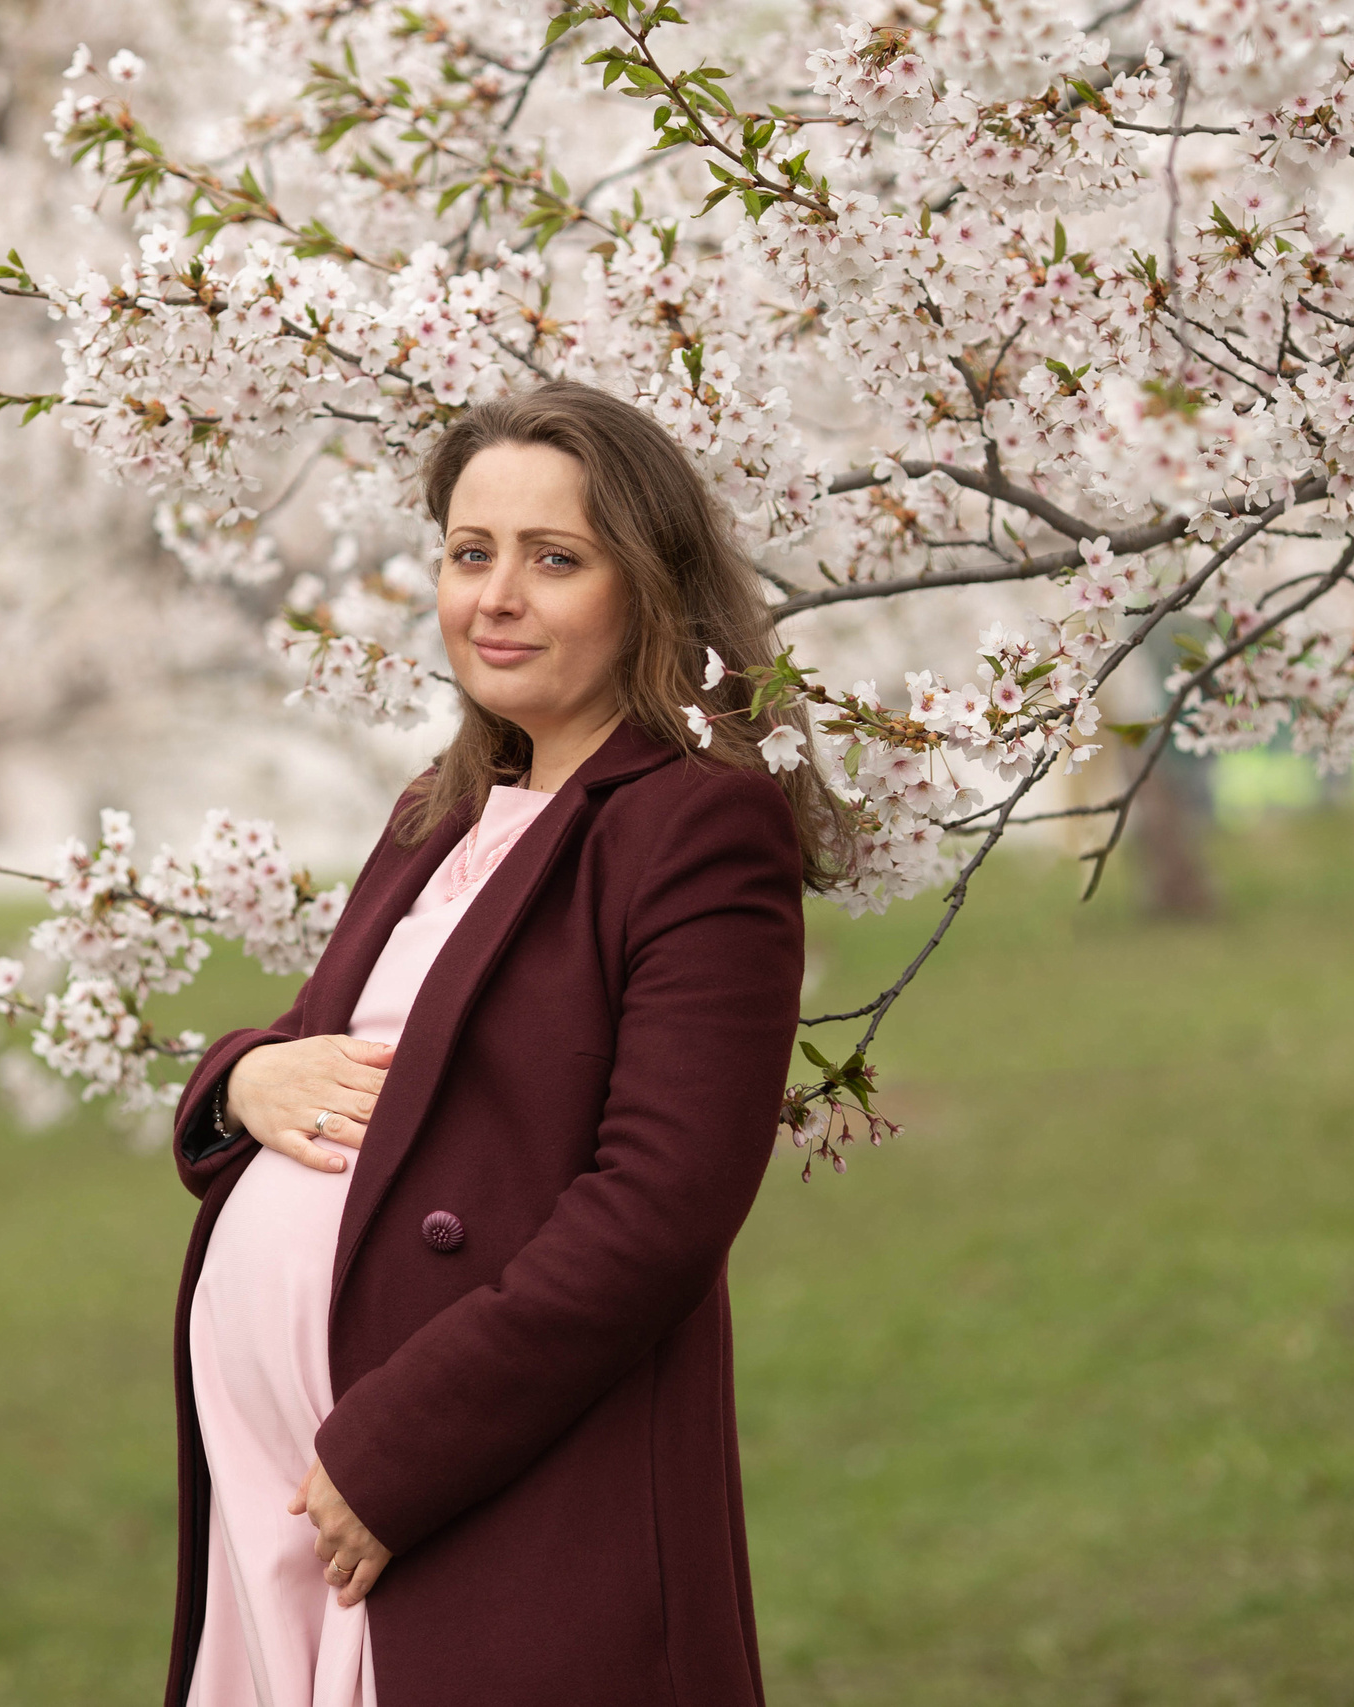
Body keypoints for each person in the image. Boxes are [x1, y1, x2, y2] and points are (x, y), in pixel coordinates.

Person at [164, 379, 850, 1707]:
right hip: (283, 1507)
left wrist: (394, 1452)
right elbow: (325, 1052)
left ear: (644, 586)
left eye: (555, 560)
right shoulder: (446, 802)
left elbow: (660, 1208)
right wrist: (237, 1079)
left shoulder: (698, 822)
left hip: (481, 1492)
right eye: (471, 554)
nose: (497, 597)